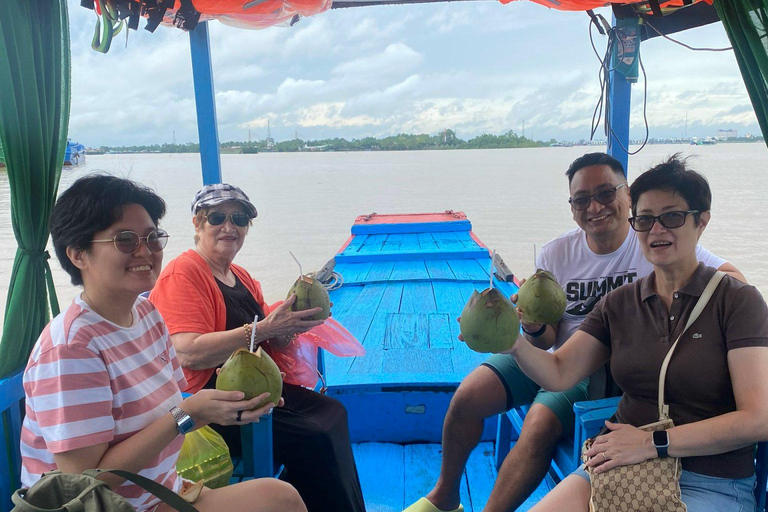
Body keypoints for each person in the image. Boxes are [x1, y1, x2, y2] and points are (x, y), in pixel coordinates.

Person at [403, 152, 744, 512]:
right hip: (556, 356)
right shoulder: (557, 254)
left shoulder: (655, 241)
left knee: (538, 423)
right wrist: (527, 328)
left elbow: (730, 281)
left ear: (627, 195)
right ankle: (445, 495)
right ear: (572, 206)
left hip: (599, 369)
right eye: (581, 199)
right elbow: (547, 339)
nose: (594, 206)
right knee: (467, 397)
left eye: (605, 193)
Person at [21, 175, 306, 512]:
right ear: (78, 254)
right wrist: (186, 415)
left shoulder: (146, 313)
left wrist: (226, 409)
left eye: (153, 237)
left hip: (162, 491)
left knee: (280, 497)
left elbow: (171, 409)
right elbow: (83, 480)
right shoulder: (71, 349)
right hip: (108, 505)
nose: (145, 251)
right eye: (125, 240)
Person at [508, 155, 768, 511]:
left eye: (672, 217)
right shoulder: (619, 304)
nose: (657, 230)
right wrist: (511, 340)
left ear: (701, 221)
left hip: (709, 480)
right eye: (645, 220)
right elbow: (558, 372)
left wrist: (653, 442)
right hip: (618, 467)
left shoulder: (736, 301)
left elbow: (758, 418)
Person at [149, 183, 365, 512]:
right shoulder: (184, 273)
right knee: (313, 437)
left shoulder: (242, 276)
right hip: (211, 404)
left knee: (334, 413)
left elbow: (267, 340)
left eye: (239, 219)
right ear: (197, 223)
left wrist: (291, 327)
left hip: (255, 387)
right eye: (217, 216)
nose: (229, 226)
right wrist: (264, 327)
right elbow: (187, 351)